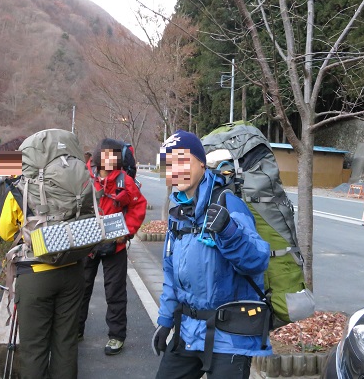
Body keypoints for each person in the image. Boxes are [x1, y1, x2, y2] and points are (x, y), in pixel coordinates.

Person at [152, 130, 272, 379]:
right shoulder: (178, 214)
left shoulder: (228, 204)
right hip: (187, 330)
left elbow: (257, 260)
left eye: (183, 160)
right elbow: (171, 273)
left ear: (201, 162)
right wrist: (165, 321)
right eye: (170, 164)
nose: (176, 170)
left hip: (229, 335)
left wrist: (229, 231)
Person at [0, 179, 84, 379]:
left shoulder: (20, 189)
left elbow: (5, 231)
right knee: (66, 344)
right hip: (72, 268)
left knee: (34, 348)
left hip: (35, 273)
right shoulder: (70, 182)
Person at [78, 138, 147, 355]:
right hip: (88, 244)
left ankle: (116, 336)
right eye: (104, 154)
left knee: (115, 292)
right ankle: (75, 330)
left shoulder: (124, 180)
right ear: (98, 156)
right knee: (80, 289)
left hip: (114, 245)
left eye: (113, 155)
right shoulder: (85, 177)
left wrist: (126, 232)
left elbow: (139, 205)